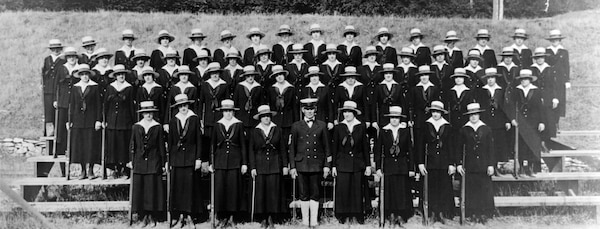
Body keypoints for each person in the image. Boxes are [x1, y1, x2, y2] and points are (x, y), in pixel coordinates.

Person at [289, 98, 331, 228]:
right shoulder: (296, 126)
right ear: (302, 110)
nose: (309, 112)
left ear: (315, 110)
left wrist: (326, 165)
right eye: (306, 109)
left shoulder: (322, 125)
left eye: (311, 109)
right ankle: (305, 220)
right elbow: (292, 149)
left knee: (315, 192)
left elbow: (327, 147)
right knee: (303, 193)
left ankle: (314, 220)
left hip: (316, 164)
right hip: (301, 164)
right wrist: (292, 167)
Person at [167, 94, 204, 227]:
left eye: (185, 105)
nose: (183, 108)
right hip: (177, 159)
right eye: (180, 106)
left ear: (188, 105)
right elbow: (171, 142)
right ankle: (180, 216)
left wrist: (198, 158)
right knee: (178, 188)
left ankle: (190, 216)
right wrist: (169, 160)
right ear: (177, 107)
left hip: (190, 158)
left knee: (190, 188)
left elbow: (199, 140)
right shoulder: (173, 120)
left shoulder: (194, 119)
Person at [248, 105, 289, 228]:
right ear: (260, 118)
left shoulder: (277, 130)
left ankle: (271, 217)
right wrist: (253, 167)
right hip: (260, 164)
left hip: (275, 164)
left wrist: (285, 165)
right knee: (261, 193)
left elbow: (282, 149)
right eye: (263, 116)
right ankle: (263, 218)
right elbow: (251, 150)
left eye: (268, 116)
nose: (266, 118)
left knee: (273, 192)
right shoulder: (254, 131)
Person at [331, 101, 370, 224]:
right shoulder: (338, 127)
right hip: (342, 163)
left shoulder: (361, 127)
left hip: (357, 163)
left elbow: (365, 148)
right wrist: (333, 166)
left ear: (354, 113)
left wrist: (368, 165)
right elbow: (335, 148)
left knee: (357, 189)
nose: (346, 114)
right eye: (345, 112)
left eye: (349, 112)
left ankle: (357, 214)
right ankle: (343, 214)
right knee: (343, 189)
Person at [456, 103, 495, 224]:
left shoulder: (486, 129)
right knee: (471, 190)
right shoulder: (463, 130)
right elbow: (458, 149)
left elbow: (491, 148)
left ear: (479, 115)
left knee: (484, 189)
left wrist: (491, 164)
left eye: (475, 114)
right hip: (470, 165)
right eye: (471, 115)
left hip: (483, 164)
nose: (473, 117)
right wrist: (459, 164)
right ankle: (472, 213)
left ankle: (483, 213)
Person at [210, 99, 248, 227]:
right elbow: (213, 145)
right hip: (220, 161)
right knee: (220, 189)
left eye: (230, 111)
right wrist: (212, 162)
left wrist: (244, 163)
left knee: (233, 190)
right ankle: (222, 217)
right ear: (222, 112)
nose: (228, 113)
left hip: (235, 161)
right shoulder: (217, 125)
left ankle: (232, 217)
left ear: (233, 112)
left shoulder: (239, 124)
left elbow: (243, 145)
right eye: (225, 111)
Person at [374, 106, 413, 226]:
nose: (394, 120)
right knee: (389, 192)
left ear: (400, 119)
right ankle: (390, 215)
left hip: (402, 166)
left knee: (401, 191)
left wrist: (411, 168)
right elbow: (378, 151)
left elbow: (410, 151)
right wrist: (378, 168)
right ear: (389, 118)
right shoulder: (384, 131)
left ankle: (400, 215)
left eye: (397, 118)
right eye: (392, 118)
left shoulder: (405, 131)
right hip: (388, 165)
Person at [129, 101, 166, 227]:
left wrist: (163, 163)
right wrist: (131, 160)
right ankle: (143, 215)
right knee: (140, 188)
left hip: (153, 161)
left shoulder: (158, 127)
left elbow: (161, 146)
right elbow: (132, 145)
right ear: (142, 114)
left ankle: (151, 216)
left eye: (150, 112)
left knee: (151, 189)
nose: (148, 115)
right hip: (139, 162)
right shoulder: (136, 127)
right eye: (146, 112)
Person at [416, 101, 454, 224]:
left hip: (443, 162)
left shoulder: (447, 126)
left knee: (443, 188)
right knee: (430, 188)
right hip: (430, 162)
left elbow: (450, 146)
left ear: (442, 113)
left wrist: (451, 163)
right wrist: (420, 163)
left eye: (438, 112)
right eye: (433, 111)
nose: (435, 114)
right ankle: (431, 213)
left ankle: (442, 213)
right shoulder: (425, 125)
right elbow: (419, 145)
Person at [68, 64, 103, 179]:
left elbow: (99, 105)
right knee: (80, 145)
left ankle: (91, 171)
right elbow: (72, 105)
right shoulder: (75, 87)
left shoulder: (95, 87)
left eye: (86, 74)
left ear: (89, 75)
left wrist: (98, 120)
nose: (84, 76)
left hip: (91, 120)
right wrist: (70, 120)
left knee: (91, 145)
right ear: (79, 76)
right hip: (78, 121)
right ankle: (82, 170)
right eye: (82, 74)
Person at [507, 69, 544, 176]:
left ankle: (531, 167)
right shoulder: (516, 91)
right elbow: (511, 106)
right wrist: (513, 118)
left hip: (534, 122)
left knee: (532, 144)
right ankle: (522, 167)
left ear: (530, 80)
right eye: (522, 79)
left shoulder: (536, 91)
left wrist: (541, 122)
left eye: (526, 79)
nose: (524, 81)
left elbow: (540, 108)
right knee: (521, 145)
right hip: (521, 122)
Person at [476, 68, 511, 175]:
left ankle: (495, 167)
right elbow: (479, 107)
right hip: (486, 121)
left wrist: (507, 121)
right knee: (486, 144)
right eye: (488, 78)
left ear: (495, 78)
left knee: (497, 145)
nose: (490, 80)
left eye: (492, 78)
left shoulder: (501, 90)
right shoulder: (482, 91)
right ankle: (486, 167)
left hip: (498, 122)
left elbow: (505, 107)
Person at [104, 65, 136, 179]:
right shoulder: (110, 87)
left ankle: (125, 169)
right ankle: (115, 168)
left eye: (122, 74)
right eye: (118, 74)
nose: (121, 76)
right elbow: (106, 105)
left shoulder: (129, 88)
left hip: (125, 121)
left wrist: (133, 122)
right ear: (115, 76)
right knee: (113, 146)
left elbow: (132, 106)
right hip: (112, 121)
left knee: (124, 145)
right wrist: (105, 119)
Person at [530, 47, 559, 150]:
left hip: (548, 98)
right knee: (536, 118)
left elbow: (553, 85)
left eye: (541, 57)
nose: (540, 59)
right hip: (535, 97)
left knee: (547, 119)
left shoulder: (550, 69)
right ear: (535, 59)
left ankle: (546, 142)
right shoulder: (532, 69)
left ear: (544, 58)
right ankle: (536, 142)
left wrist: (555, 98)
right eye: (537, 58)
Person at [54, 47, 80, 156]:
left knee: (74, 123)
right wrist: (55, 99)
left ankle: (74, 149)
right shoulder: (61, 68)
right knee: (61, 124)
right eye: (69, 57)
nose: (71, 59)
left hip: (75, 100)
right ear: (66, 58)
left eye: (73, 57)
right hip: (63, 100)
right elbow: (56, 84)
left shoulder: (80, 69)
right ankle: (60, 149)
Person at [198, 62, 231, 146]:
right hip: (208, 117)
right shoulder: (205, 85)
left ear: (219, 73)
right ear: (209, 74)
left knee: (219, 137)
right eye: (212, 73)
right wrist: (200, 118)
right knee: (207, 139)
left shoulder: (224, 85)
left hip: (220, 116)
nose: (215, 75)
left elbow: (227, 102)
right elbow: (201, 102)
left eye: (216, 73)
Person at [545, 29, 570, 123]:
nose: (555, 41)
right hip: (549, 79)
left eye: (557, 39)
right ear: (550, 41)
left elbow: (566, 66)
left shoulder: (564, 52)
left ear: (560, 40)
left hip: (560, 80)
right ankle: (551, 123)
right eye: (553, 40)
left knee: (560, 100)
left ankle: (557, 122)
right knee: (550, 100)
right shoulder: (547, 51)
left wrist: (567, 80)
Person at [266, 65, 297, 140]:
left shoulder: (291, 89)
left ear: (284, 75)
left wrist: (295, 122)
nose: (279, 77)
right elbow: (270, 105)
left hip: (288, 120)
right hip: (275, 119)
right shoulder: (271, 89)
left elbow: (294, 106)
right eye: (276, 76)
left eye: (281, 74)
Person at [42, 39, 65, 137]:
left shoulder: (63, 60)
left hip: (58, 89)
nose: (56, 50)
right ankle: (48, 135)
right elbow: (44, 73)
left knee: (58, 114)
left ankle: (59, 136)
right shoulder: (47, 59)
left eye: (58, 48)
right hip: (48, 90)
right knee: (48, 113)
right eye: (53, 49)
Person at [408, 65, 441, 131]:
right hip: (418, 119)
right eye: (422, 75)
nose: (424, 77)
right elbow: (411, 105)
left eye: (426, 75)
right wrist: (410, 119)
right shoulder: (414, 89)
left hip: (432, 118)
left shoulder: (434, 88)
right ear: (419, 77)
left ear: (429, 76)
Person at [443, 68, 475, 135]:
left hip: (465, 120)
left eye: (460, 77)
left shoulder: (468, 92)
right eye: (456, 77)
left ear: (464, 78)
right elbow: (447, 106)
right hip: (453, 120)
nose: (458, 79)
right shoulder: (450, 91)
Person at [233, 66, 264, 135]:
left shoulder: (258, 87)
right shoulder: (239, 87)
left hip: (254, 118)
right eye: (248, 76)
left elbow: (261, 103)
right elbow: (235, 102)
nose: (250, 78)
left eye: (252, 76)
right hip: (241, 117)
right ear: (245, 77)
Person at [374, 63, 405, 128]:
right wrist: (374, 120)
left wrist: (403, 120)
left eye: (390, 73)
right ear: (383, 75)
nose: (388, 75)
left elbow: (402, 103)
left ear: (393, 74)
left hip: (396, 116)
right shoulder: (379, 87)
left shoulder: (398, 87)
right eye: (386, 73)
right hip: (383, 117)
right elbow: (374, 104)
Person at [358, 46, 383, 128]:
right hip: (365, 95)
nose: (372, 57)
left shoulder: (380, 68)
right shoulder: (361, 68)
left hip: (378, 95)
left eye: (374, 55)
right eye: (370, 55)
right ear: (367, 56)